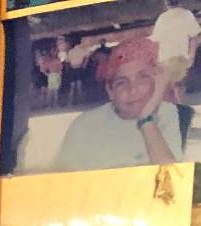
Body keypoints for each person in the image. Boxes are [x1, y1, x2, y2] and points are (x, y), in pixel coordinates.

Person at [51, 35, 189, 171]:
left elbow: (170, 176)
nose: (133, 89)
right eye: (121, 83)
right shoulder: (84, 125)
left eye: (143, 77)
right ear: (110, 91)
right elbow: (62, 179)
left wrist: (146, 120)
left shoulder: (167, 113)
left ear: (156, 81)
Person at [149, 0, 201, 98]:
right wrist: (192, 56)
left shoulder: (162, 18)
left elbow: (156, 41)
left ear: (166, 3)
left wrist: (156, 60)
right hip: (181, 57)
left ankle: (174, 105)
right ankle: (179, 104)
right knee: (179, 86)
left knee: (168, 89)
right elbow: (194, 36)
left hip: (166, 59)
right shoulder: (186, 14)